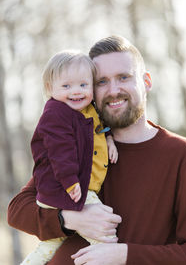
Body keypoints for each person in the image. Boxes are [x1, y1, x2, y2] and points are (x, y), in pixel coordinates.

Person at [8, 35, 186, 265]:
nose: (113, 90)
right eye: (101, 81)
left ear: (146, 81)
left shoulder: (183, 156)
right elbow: (18, 210)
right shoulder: (78, 142)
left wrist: (125, 255)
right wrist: (69, 220)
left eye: (124, 77)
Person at [20, 50, 118, 265]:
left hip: (75, 186)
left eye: (84, 85)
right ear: (50, 89)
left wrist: (109, 139)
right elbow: (59, 151)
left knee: (48, 246)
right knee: (106, 241)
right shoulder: (56, 114)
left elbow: (99, 128)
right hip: (69, 187)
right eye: (66, 86)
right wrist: (70, 181)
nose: (76, 92)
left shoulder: (87, 109)